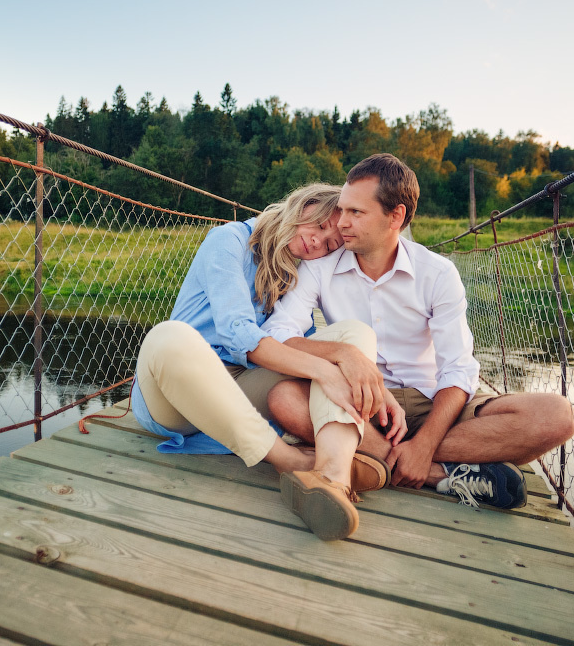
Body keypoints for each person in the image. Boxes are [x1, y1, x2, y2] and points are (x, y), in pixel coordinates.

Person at [263, 154, 574, 509]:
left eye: (356, 213)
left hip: (432, 402)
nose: (340, 224)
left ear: (395, 216)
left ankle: (381, 460)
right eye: (342, 210)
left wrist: (424, 443)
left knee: (556, 416)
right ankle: (442, 475)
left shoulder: (437, 274)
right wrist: (343, 355)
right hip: (364, 401)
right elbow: (279, 334)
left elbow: (457, 369)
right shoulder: (320, 268)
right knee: (285, 399)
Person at [130, 183, 407, 541]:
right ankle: (293, 462)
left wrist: (364, 373)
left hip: (241, 387)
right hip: (177, 401)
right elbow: (237, 334)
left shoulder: (295, 271)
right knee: (168, 337)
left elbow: (297, 342)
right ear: (304, 205)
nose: (317, 243)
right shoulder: (229, 240)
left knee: (352, 335)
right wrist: (326, 368)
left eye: (330, 244)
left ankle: (331, 478)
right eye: (320, 226)